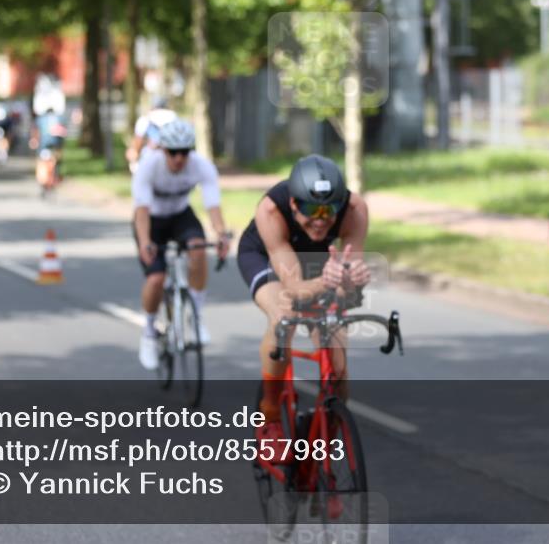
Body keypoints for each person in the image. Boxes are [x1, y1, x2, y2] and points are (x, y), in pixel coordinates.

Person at [236, 155, 370, 457]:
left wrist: (352, 280)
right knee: (285, 316)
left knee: (338, 365)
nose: (321, 219)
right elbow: (296, 291)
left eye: (328, 210)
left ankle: (327, 443)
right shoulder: (271, 211)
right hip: (268, 257)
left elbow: (348, 287)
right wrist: (328, 282)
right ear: (294, 205)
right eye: (311, 210)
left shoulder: (354, 210)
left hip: (321, 262)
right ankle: (269, 415)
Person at [131, 119, 230, 369]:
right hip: (151, 220)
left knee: (198, 248)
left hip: (180, 215)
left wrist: (221, 234)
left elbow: (212, 206)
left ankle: (195, 318)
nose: (179, 158)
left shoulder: (201, 166)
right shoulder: (149, 166)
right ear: (162, 150)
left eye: (184, 151)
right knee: (156, 278)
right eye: (173, 152)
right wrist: (144, 242)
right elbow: (141, 211)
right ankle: (149, 333)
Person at [125, 96, 177, 173]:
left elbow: (138, 140)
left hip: (150, 154)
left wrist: (135, 155)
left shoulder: (145, 118)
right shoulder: (173, 116)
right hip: (171, 156)